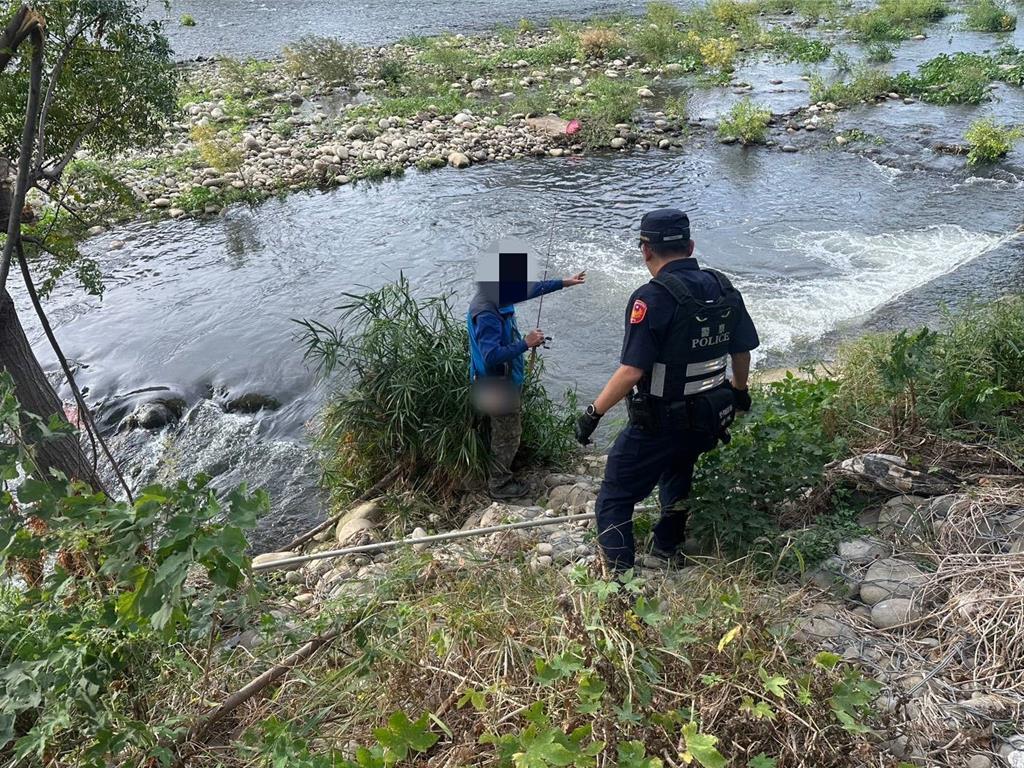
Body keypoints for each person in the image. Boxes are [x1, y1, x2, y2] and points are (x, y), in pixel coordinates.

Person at [574, 208, 759, 572]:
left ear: (646, 249)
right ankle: (667, 548)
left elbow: (631, 371)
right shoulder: (723, 288)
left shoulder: (652, 297)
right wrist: (739, 393)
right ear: (690, 245)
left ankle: (619, 583)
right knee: (679, 470)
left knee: (614, 496)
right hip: (708, 417)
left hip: (659, 423)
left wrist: (592, 414)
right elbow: (742, 350)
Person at [468, 269, 586, 499]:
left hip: (493, 381)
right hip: (496, 386)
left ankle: (488, 471)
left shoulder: (494, 294)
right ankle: (499, 485)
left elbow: (532, 289)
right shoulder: (486, 313)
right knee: (508, 435)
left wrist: (564, 282)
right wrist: (525, 343)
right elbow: (490, 355)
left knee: (497, 431)